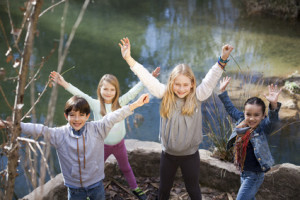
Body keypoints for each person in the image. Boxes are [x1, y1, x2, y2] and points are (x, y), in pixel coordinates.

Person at [119, 37, 234, 200]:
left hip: (190, 156)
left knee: (193, 189)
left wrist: (222, 59)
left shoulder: (197, 96)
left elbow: (210, 79)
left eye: (185, 85)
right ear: (171, 83)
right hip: (168, 155)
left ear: (192, 84)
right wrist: (129, 59)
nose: (181, 89)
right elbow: (146, 77)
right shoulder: (165, 94)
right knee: (164, 190)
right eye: (177, 84)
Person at [0, 94, 149, 200]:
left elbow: (114, 116)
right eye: (72, 115)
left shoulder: (98, 129)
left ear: (87, 116)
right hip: (74, 188)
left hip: (96, 183)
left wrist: (135, 105)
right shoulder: (59, 135)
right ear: (66, 116)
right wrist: (11, 125)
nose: (77, 119)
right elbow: (39, 129)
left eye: (81, 115)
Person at [50, 70, 159, 200]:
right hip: (101, 146)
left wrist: (149, 78)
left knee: (126, 167)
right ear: (100, 89)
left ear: (116, 91)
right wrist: (64, 83)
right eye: (105, 89)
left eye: (112, 89)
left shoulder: (121, 102)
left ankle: (135, 188)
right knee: (93, 170)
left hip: (119, 144)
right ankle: (89, 192)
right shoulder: (95, 105)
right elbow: (80, 94)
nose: (108, 92)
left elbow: (134, 91)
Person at [218, 76, 282, 200]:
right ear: (244, 112)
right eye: (249, 114)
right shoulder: (242, 119)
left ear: (263, 115)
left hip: (255, 174)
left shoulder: (262, 127)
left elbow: (273, 122)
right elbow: (230, 108)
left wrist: (273, 105)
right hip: (243, 171)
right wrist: (222, 92)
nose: (252, 118)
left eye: (256, 115)